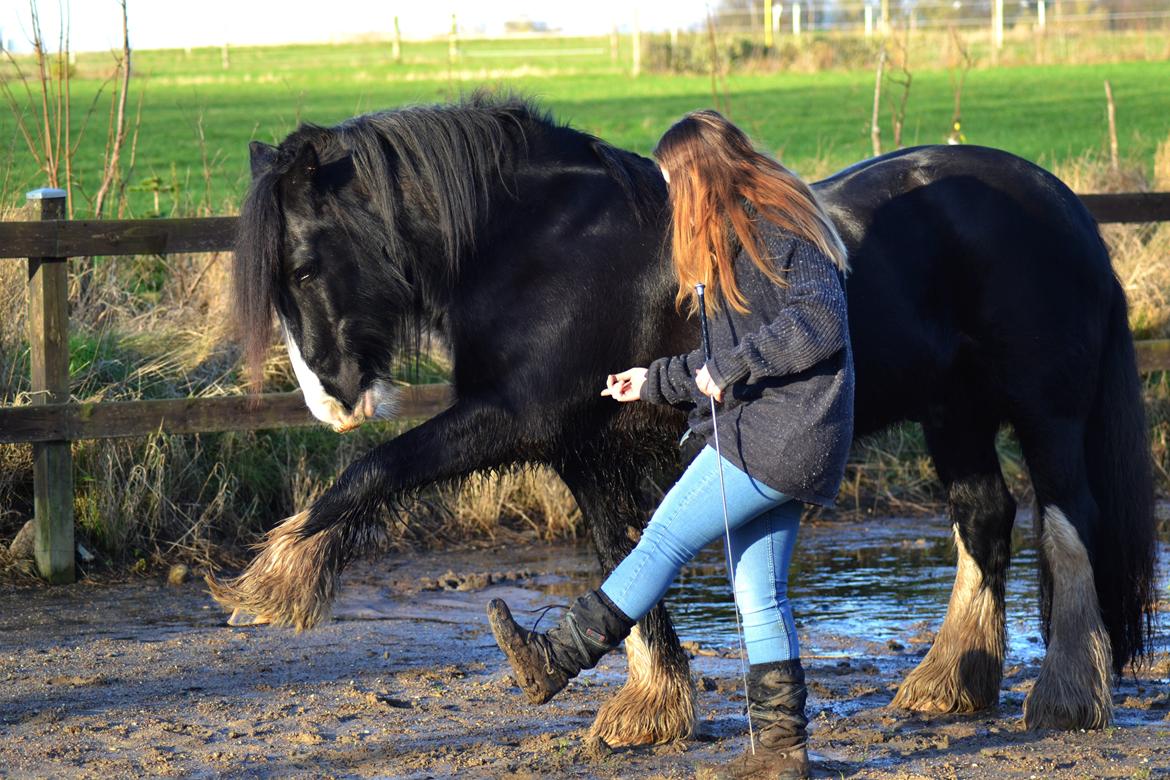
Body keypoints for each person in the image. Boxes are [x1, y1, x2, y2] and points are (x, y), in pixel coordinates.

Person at [487, 110, 853, 780]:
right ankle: (781, 752)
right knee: (760, 594)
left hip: (774, 437)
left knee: (660, 543)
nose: (667, 199)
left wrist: (731, 371)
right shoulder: (734, 235)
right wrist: (651, 381)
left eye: (669, 183)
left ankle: (556, 658)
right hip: (781, 435)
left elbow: (820, 324)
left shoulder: (774, 230)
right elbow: (721, 360)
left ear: (698, 177)